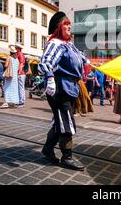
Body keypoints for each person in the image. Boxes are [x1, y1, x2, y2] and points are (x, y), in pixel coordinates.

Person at [39, 11, 85, 171]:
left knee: (60, 120)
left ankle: (47, 148)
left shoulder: (69, 45)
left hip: (70, 88)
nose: (69, 27)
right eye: (66, 24)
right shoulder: (55, 43)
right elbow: (45, 62)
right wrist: (50, 79)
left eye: (69, 24)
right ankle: (67, 157)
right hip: (59, 88)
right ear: (59, 27)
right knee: (66, 121)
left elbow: (82, 59)